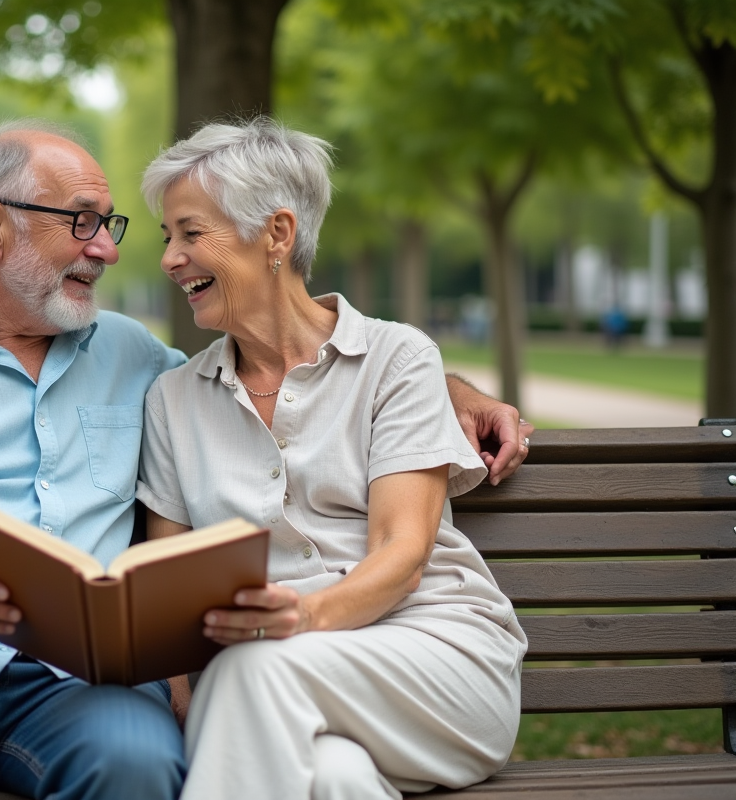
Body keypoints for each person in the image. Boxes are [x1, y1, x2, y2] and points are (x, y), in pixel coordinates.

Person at [0, 119, 531, 800]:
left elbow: (329, 360)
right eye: (82, 223)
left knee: (141, 763)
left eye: (111, 225)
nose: (110, 248)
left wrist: (452, 392)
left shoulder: (137, 359)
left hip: (75, 681)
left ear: (274, 234)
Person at [137, 117, 530, 800]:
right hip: (281, 694)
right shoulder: (173, 399)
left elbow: (401, 556)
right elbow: (166, 582)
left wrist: (296, 620)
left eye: (192, 233)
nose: (170, 258)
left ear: (277, 236)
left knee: (250, 670)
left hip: (435, 659)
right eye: (168, 237)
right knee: (334, 780)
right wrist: (177, 694)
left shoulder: (397, 360)